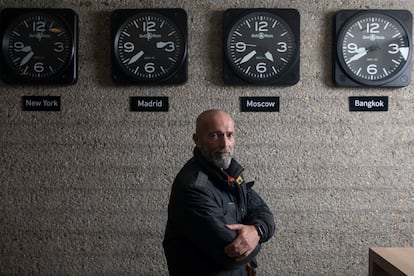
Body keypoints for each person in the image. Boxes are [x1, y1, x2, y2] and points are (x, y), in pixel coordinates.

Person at [163, 109, 275, 275]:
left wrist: (257, 230)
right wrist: (255, 235)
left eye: (229, 135)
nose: (224, 144)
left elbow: (261, 210)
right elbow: (231, 254)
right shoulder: (192, 188)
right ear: (197, 140)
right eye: (215, 135)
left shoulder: (230, 173)